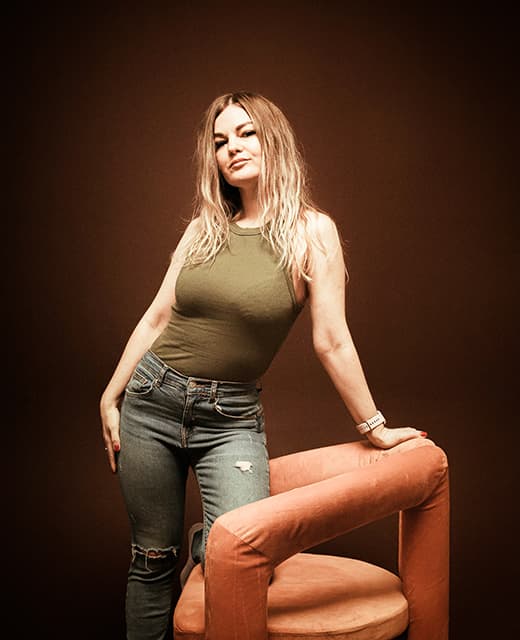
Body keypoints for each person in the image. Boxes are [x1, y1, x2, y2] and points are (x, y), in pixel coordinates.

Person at [99, 91, 427, 639]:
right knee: (152, 559)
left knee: (244, 554)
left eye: (246, 132)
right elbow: (157, 317)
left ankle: (208, 540)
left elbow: (331, 340)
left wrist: (375, 428)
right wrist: (111, 395)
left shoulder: (311, 232)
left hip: (229, 418)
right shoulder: (204, 228)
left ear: (273, 139)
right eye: (220, 140)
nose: (232, 147)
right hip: (151, 402)